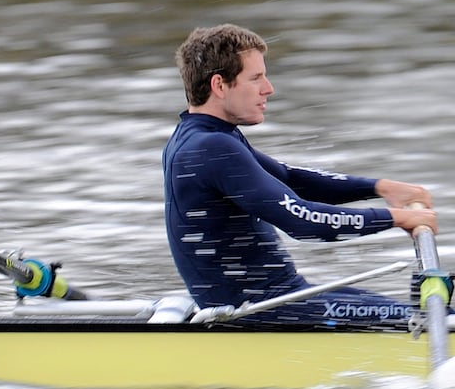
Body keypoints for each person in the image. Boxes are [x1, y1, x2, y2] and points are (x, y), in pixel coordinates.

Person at [163, 23, 440, 326]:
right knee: (434, 319)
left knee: (424, 314)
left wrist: (380, 187)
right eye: (256, 78)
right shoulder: (211, 147)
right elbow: (303, 222)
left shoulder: (199, 136)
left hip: (278, 302)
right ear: (219, 85)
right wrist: (396, 218)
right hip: (263, 312)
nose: (268, 88)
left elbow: (289, 178)